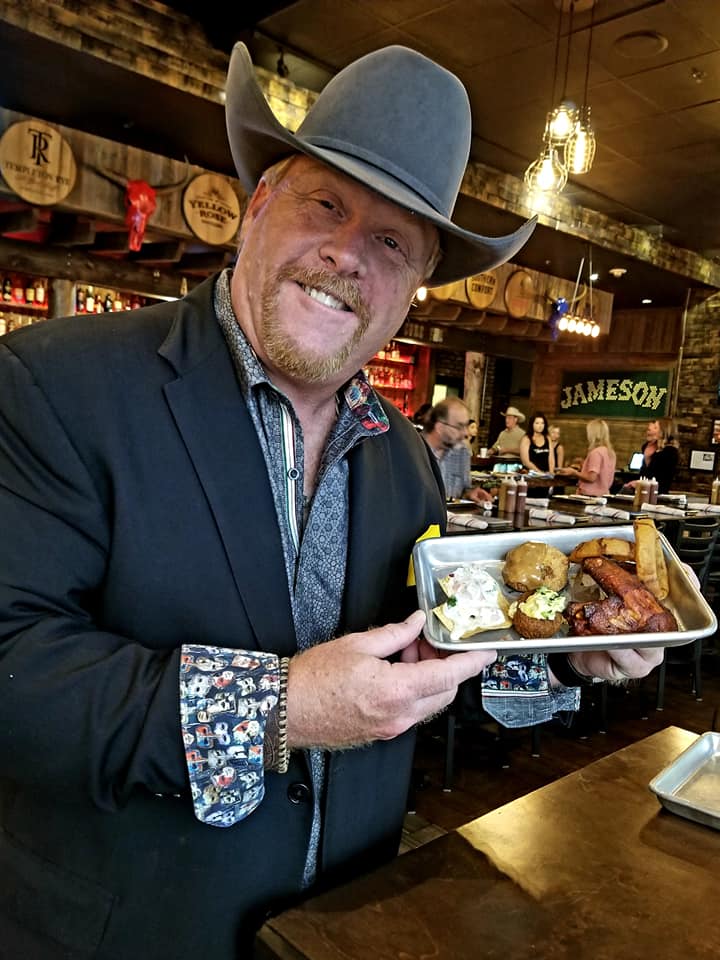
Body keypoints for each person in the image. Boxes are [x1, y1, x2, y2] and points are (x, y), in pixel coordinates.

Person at [0, 43, 663, 960]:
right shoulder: (55, 384)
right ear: (258, 204)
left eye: (391, 240)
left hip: (348, 929)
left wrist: (561, 655)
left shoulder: (406, 460)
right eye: (327, 204)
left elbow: (420, 667)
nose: (347, 254)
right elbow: (15, 672)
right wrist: (278, 708)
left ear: (415, 284)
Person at [423, 398, 491, 502]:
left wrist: (470, 493)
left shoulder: (462, 452)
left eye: (466, 426)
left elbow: (464, 490)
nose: (465, 433)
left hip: (452, 517)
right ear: (440, 427)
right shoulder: (413, 450)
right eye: (459, 427)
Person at [558, 418, 617, 495]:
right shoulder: (610, 452)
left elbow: (592, 478)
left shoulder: (596, 452)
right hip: (604, 494)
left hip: (589, 495)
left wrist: (574, 472)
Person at [627, 418, 679, 494]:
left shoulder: (670, 452)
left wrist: (640, 484)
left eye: (655, 427)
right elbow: (644, 474)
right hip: (641, 492)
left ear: (664, 432)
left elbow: (662, 481)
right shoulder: (645, 446)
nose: (649, 429)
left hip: (658, 495)